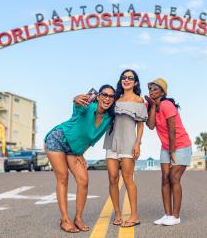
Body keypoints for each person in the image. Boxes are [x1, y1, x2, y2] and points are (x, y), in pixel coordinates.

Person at [44, 85, 115, 233]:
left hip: (75, 150)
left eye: (111, 96)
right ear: (99, 96)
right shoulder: (87, 106)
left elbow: (90, 140)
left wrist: (81, 153)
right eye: (104, 94)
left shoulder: (108, 119)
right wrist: (76, 99)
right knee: (63, 177)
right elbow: (77, 104)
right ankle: (64, 219)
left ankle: (78, 218)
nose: (107, 98)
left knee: (83, 180)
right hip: (58, 139)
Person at [103, 69, 147, 228]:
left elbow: (141, 125)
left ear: (135, 82)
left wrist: (137, 143)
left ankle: (134, 216)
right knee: (113, 178)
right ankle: (118, 214)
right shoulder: (115, 99)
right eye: (124, 77)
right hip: (111, 141)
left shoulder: (138, 100)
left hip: (129, 142)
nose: (126, 80)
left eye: (130, 78)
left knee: (128, 179)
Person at [145, 78, 192, 226]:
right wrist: (152, 107)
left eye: (155, 89)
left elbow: (172, 130)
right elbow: (151, 126)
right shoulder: (150, 105)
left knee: (173, 178)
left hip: (181, 145)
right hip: (166, 146)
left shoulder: (167, 105)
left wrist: (172, 151)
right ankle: (167, 215)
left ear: (163, 92)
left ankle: (176, 216)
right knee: (164, 178)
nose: (152, 91)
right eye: (150, 89)